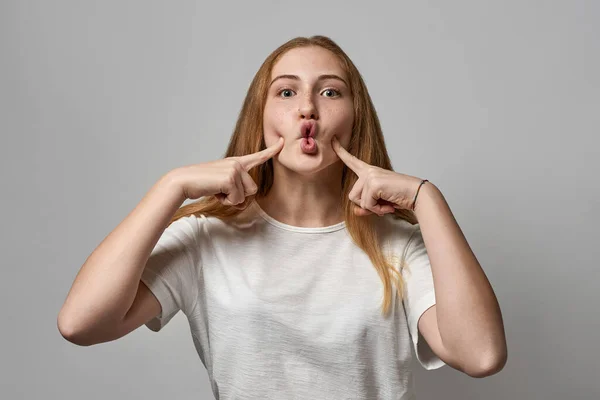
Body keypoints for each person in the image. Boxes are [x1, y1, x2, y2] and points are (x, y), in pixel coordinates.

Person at [58, 35, 507, 399]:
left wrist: (427, 199)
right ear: (262, 116)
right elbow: (81, 324)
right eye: (287, 91)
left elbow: (482, 356)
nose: (307, 107)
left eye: (330, 91)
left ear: (355, 119)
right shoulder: (206, 239)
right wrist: (170, 187)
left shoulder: (397, 245)